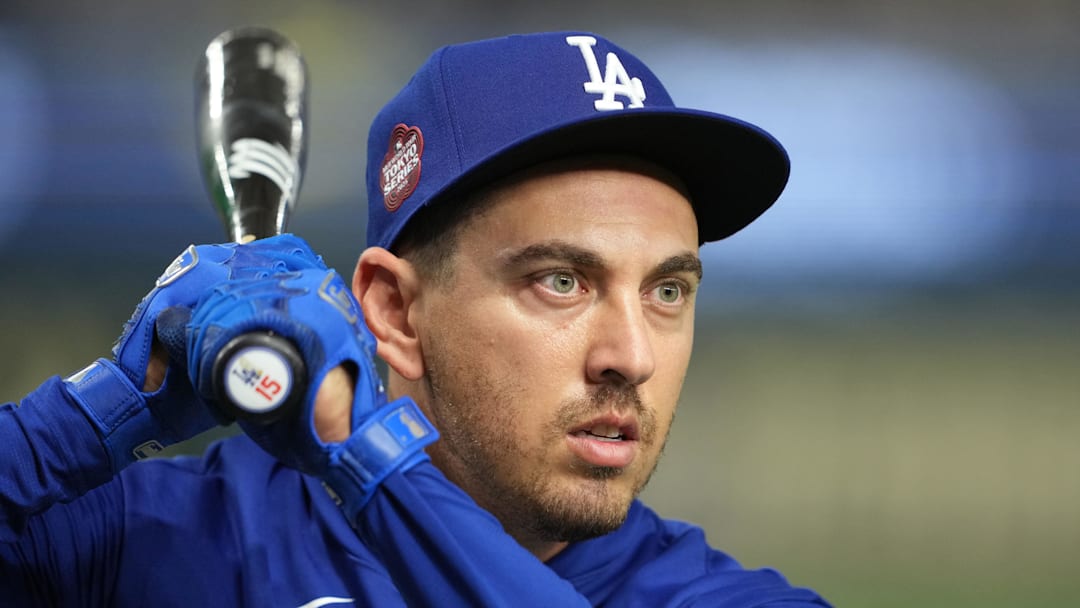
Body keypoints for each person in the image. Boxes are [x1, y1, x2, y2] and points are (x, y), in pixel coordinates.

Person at [0, 31, 831, 607]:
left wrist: (364, 451)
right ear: (393, 311)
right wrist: (92, 416)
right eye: (562, 282)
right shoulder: (145, 541)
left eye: (666, 291)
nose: (632, 355)